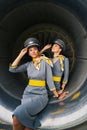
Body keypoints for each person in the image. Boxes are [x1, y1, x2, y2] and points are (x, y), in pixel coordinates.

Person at [9, 37, 58, 130]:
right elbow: (12, 69)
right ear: (28, 53)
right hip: (28, 94)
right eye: (30, 50)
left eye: (35, 49)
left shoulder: (45, 62)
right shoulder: (28, 65)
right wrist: (20, 54)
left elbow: (49, 80)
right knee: (27, 127)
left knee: (16, 117)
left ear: (38, 50)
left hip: (40, 95)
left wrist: (56, 93)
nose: (33, 51)